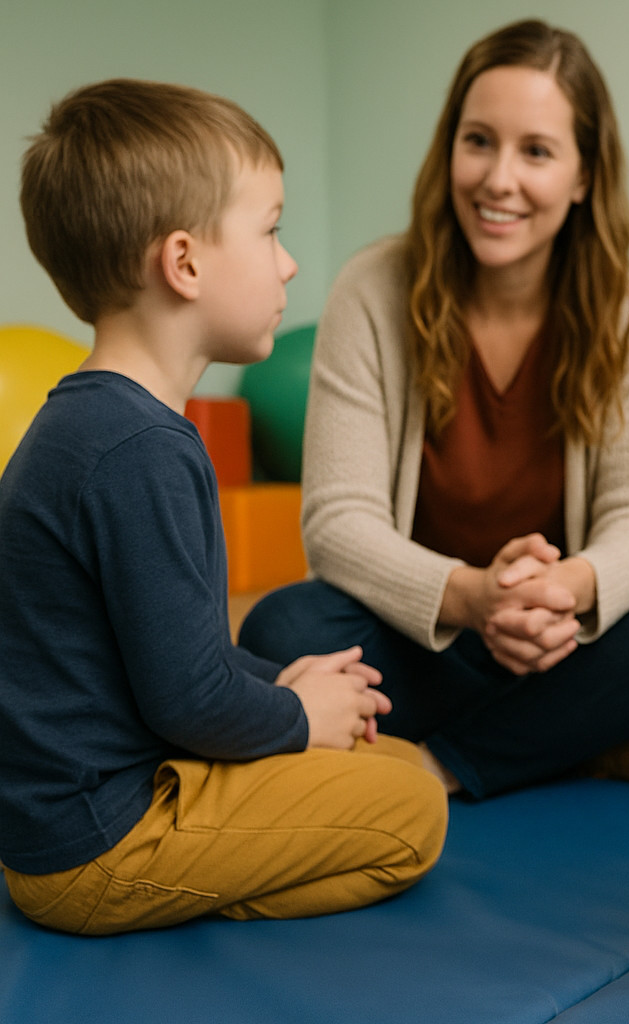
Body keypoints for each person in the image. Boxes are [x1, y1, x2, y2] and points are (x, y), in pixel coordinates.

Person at [239, 20, 629, 799]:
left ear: (582, 176)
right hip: (422, 632)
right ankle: (582, 740)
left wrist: (565, 592)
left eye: (536, 151)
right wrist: (475, 598)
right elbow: (338, 522)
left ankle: (440, 764)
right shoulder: (371, 289)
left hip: (558, 636)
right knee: (280, 632)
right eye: (479, 141)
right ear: (450, 149)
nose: (498, 179)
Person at [0, 79, 448, 936]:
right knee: (414, 812)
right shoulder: (139, 450)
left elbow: (176, 659)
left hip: (101, 802)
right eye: (271, 230)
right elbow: (188, 705)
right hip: (102, 846)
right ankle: (189, 894)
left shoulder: (97, 423)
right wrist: (296, 712)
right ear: (185, 263)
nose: (286, 264)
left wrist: (283, 686)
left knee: (378, 754)